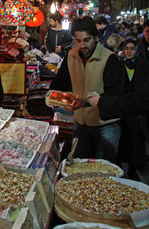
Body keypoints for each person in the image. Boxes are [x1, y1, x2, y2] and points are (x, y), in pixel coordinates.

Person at [49, 16, 123, 162]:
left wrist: (85, 102)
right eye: (78, 41)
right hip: (80, 125)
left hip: (105, 126)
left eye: (87, 40)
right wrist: (51, 95)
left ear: (95, 37)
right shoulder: (71, 55)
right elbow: (60, 83)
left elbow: (114, 94)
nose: (83, 45)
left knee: (104, 172)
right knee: (79, 169)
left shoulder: (110, 59)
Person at [115, 35, 149, 179]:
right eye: (126, 49)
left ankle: (134, 169)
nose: (129, 52)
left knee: (136, 140)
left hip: (137, 110)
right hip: (122, 108)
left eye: (132, 49)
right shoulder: (119, 65)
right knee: (123, 140)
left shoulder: (144, 66)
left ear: (137, 50)